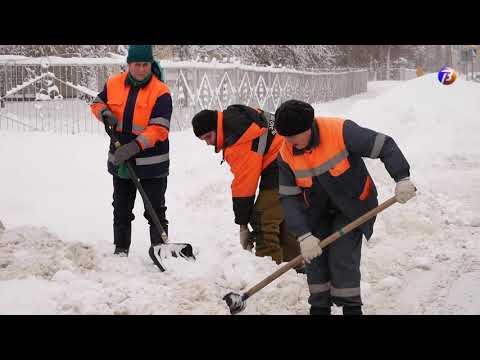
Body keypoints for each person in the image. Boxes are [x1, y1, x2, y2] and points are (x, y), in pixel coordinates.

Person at [274, 100, 416, 315]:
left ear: (308, 127)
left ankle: (352, 309)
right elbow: (288, 198)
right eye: (286, 137)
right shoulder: (285, 153)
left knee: (342, 258)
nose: (290, 142)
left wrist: (402, 177)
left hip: (354, 205)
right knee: (315, 262)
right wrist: (303, 235)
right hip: (316, 211)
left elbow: (384, 145)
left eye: (293, 136)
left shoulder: (340, 131)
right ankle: (319, 309)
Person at [191, 105, 302, 268]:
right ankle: (294, 263)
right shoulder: (235, 116)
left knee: (263, 218)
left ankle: (269, 273)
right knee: (279, 216)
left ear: (217, 126)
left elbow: (245, 185)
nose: (208, 143)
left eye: (208, 137)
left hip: (283, 162)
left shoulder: (237, 139)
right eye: (204, 140)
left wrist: (243, 225)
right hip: (290, 155)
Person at [90, 45, 172, 265]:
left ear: (150, 64)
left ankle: (160, 251)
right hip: (121, 161)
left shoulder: (161, 91)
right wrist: (104, 113)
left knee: (155, 209)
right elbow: (97, 103)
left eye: (145, 65)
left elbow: (159, 128)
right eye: (137, 64)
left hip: (152, 163)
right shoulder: (114, 83)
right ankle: (121, 250)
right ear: (128, 64)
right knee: (121, 207)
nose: (141, 69)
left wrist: (134, 146)